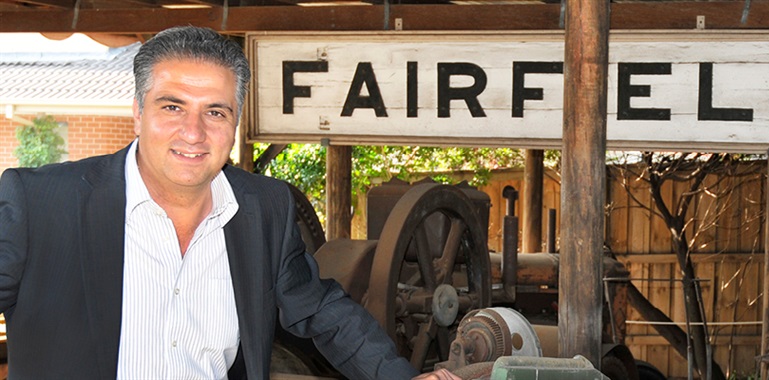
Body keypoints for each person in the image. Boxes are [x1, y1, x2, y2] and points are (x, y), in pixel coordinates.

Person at [0, 26, 457, 379]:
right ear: (137, 112)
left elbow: (321, 312)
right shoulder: (39, 204)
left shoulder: (263, 208)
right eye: (172, 106)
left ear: (235, 122)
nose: (194, 133)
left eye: (215, 112)